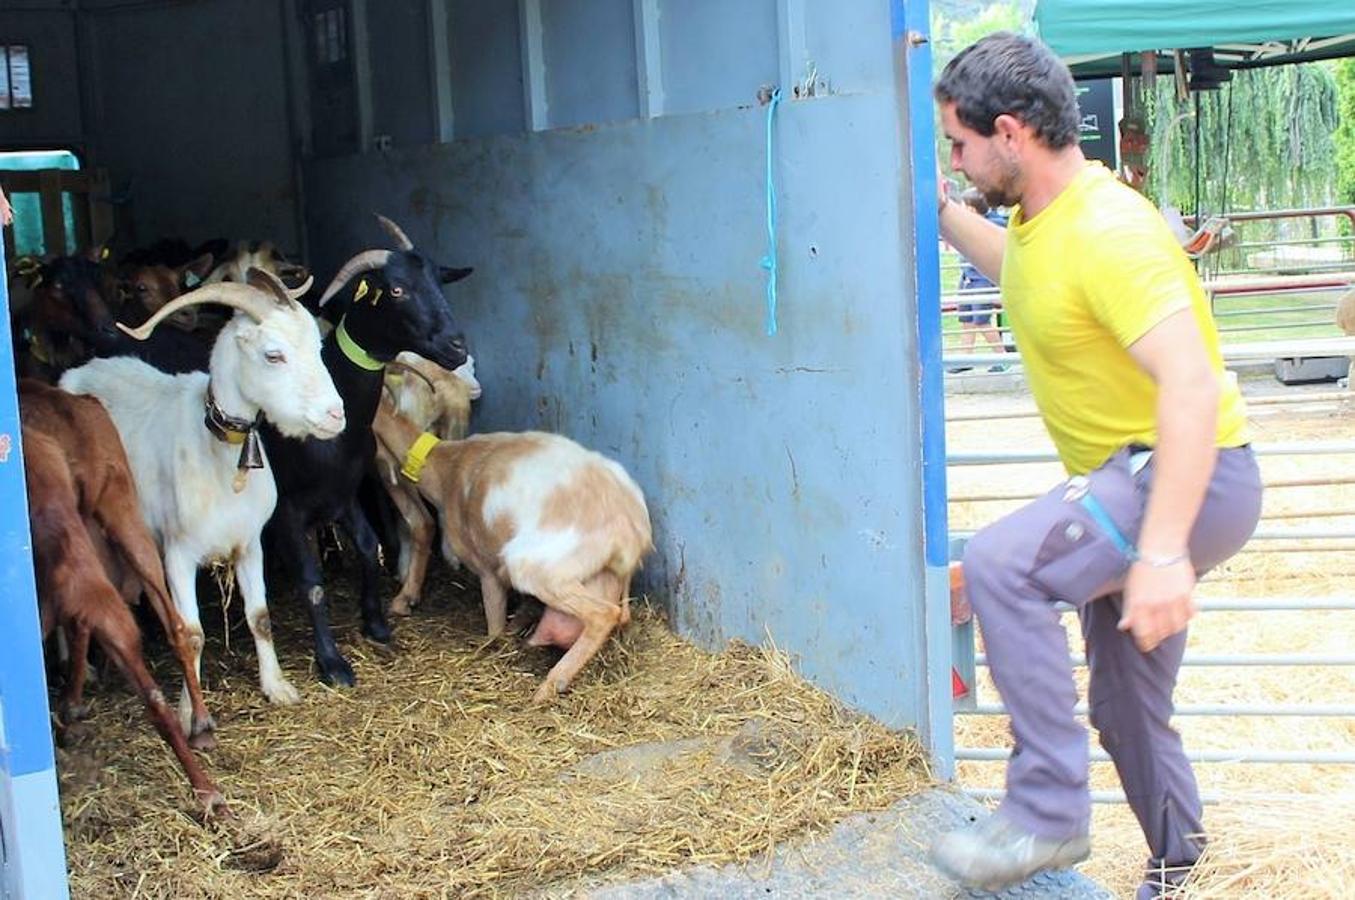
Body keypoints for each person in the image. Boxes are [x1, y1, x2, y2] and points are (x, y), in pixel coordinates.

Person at [929, 32, 1261, 897]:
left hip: (1189, 474)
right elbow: (1029, 280)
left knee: (1005, 562)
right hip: (1142, 475)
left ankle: (1044, 815)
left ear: (1010, 132)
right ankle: (1179, 869)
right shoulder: (1046, 224)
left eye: (958, 146)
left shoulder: (1111, 228)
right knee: (1124, 707)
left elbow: (1188, 384)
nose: (956, 161)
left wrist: (1157, 553)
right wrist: (940, 212)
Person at [948, 187, 1008, 372]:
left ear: (973, 209)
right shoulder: (970, 226)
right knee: (967, 319)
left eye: (965, 206)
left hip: (981, 279)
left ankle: (1003, 358)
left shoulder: (989, 227)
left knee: (981, 320)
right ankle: (966, 358)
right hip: (968, 277)